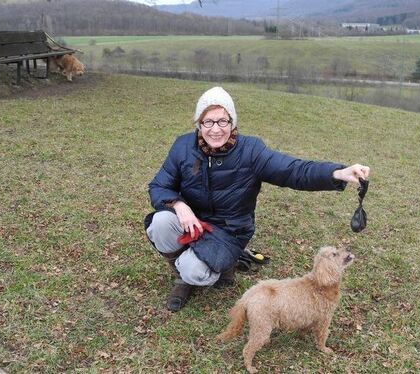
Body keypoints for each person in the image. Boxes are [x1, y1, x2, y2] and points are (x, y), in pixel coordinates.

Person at [145, 86, 370, 311]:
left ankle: (216, 266)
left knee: (194, 269)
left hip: (229, 230)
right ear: (199, 124)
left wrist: (337, 173)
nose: (215, 129)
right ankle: (182, 278)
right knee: (160, 223)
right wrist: (179, 204)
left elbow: (293, 171)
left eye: (222, 121)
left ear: (232, 122)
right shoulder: (183, 146)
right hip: (193, 221)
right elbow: (159, 185)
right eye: (208, 122)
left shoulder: (251, 151)